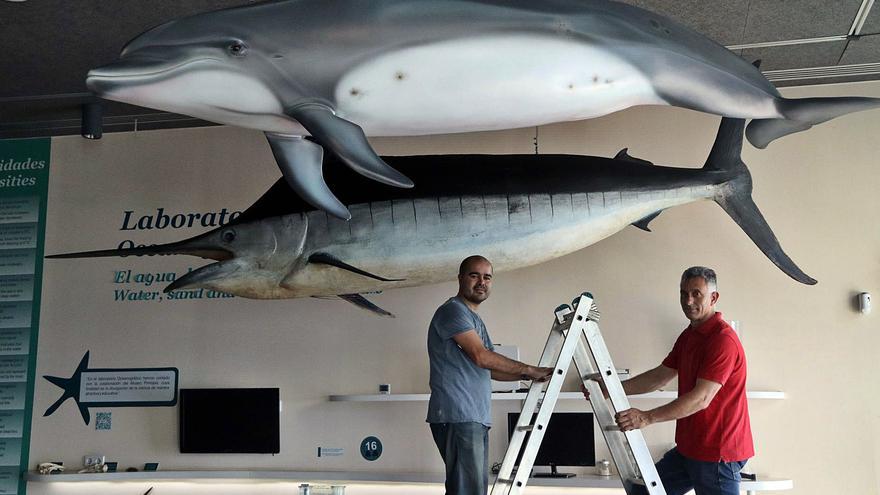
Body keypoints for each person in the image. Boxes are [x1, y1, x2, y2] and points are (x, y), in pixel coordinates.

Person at [586, 266, 753, 495]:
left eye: (696, 294)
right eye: (683, 293)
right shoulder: (688, 336)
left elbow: (701, 399)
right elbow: (659, 376)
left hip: (717, 453)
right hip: (689, 449)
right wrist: (611, 389)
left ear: (713, 297)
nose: (688, 300)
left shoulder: (722, 341)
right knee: (643, 493)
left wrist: (646, 417)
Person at [427, 255, 554, 495]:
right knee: (469, 491)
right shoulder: (453, 312)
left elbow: (491, 369)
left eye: (487, 277)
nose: (481, 282)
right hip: (459, 415)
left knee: (469, 490)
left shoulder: (473, 318)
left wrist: (529, 377)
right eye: (474, 275)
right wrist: (529, 369)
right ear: (460, 278)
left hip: (472, 416)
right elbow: (481, 356)